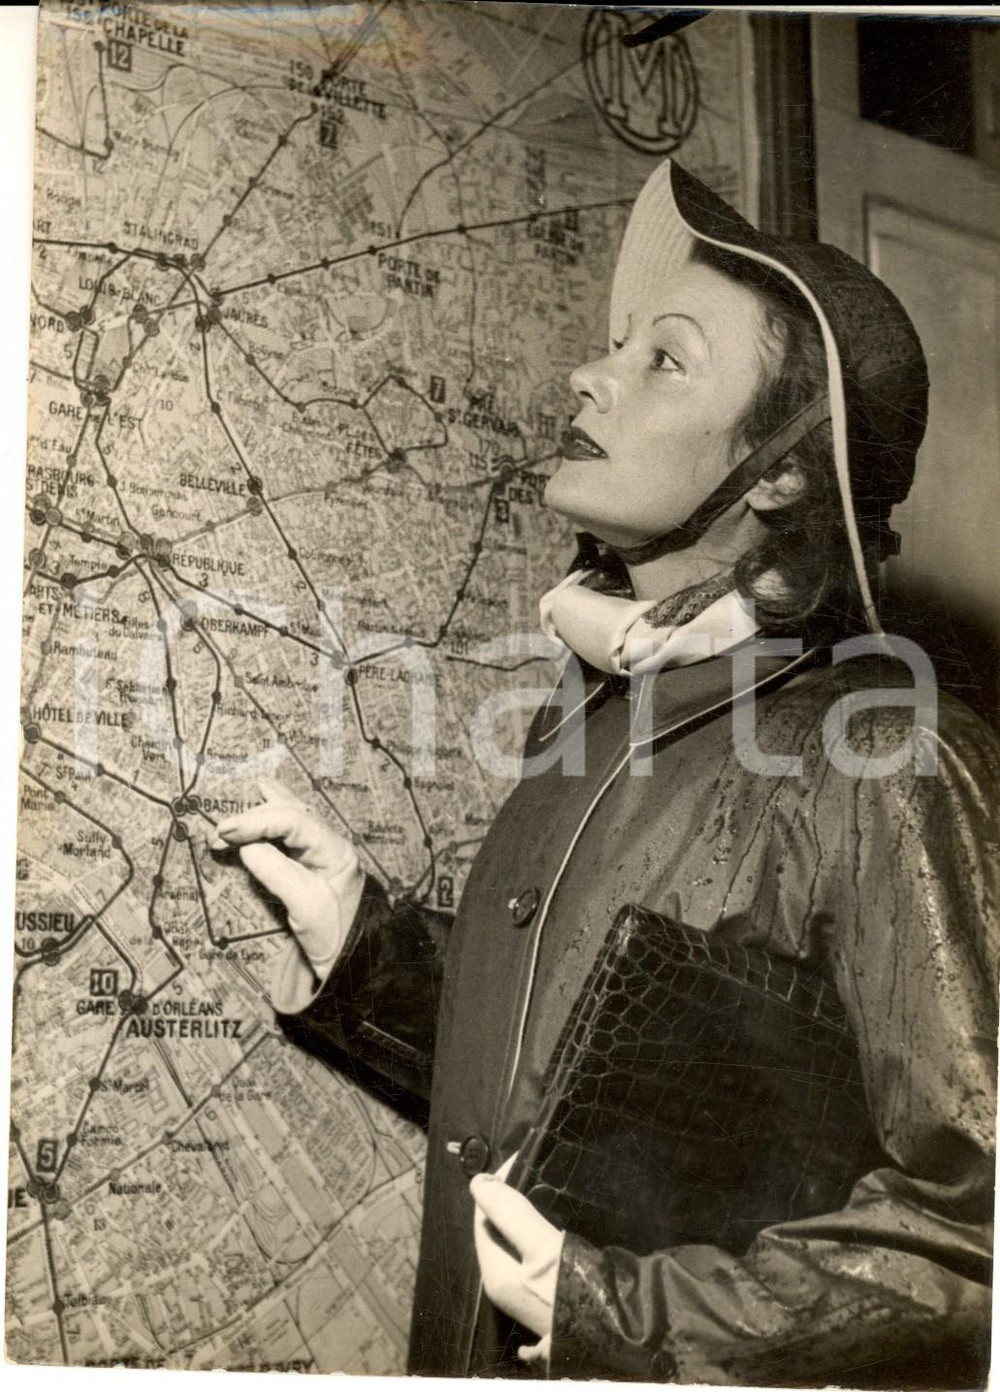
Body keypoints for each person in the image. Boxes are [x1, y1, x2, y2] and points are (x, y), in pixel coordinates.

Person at [208, 160, 998, 1385]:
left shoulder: (887, 758)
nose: (591, 374)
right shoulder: (600, 712)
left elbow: (968, 1238)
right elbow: (618, 1102)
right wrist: (363, 945)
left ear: (780, 470)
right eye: (616, 347)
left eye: (664, 359)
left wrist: (610, 1310)